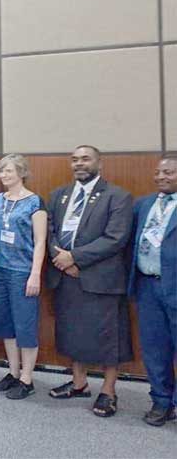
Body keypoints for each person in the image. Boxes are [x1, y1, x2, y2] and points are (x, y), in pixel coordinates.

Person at [47, 146, 133, 418]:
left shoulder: (118, 197)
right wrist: (60, 259)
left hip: (100, 279)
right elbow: (48, 230)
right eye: (74, 159)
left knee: (108, 336)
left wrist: (75, 258)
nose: (79, 164)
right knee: (72, 331)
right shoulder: (59, 195)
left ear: (99, 163)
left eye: (85, 159)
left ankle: (108, 391)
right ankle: (79, 382)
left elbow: (115, 238)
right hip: (65, 276)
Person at [0, 154, 47, 400]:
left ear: (21, 173)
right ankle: (13, 372)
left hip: (23, 271)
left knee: (24, 325)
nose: (4, 176)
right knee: (5, 324)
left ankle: (27, 378)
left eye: (9, 171)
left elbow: (40, 241)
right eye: (1, 171)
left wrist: (35, 274)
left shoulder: (34, 202)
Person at [128, 154, 177, 426]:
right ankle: (161, 401)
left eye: (169, 172)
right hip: (148, 285)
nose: (161, 177)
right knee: (154, 348)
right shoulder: (144, 204)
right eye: (159, 172)